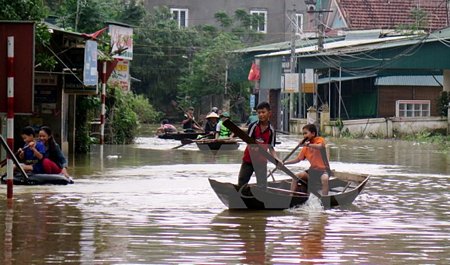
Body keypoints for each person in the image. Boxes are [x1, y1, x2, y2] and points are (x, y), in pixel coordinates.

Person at [237, 102, 280, 188]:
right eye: (259, 113)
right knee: (242, 182)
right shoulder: (253, 126)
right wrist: (253, 147)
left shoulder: (271, 130)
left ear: (269, 113)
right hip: (248, 160)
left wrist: (277, 160)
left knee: (262, 186)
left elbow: (271, 147)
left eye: (263, 112)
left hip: (261, 162)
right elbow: (248, 141)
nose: (261, 115)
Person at [283, 124, 330, 195]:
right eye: (303, 134)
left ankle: (325, 199)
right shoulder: (305, 148)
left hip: (323, 171)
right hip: (312, 171)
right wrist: (284, 163)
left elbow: (320, 146)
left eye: (306, 133)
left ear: (313, 133)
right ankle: (291, 195)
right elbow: (297, 159)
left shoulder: (319, 140)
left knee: (325, 179)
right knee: (296, 177)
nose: (304, 136)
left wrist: (307, 145)